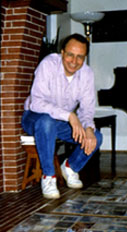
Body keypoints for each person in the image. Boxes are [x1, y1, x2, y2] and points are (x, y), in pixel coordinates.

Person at [22, 33, 103, 199]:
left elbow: (87, 110)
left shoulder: (87, 74)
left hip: (60, 122)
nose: (74, 61)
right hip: (34, 118)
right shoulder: (48, 64)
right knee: (47, 122)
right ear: (62, 53)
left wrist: (88, 128)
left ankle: (70, 167)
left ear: (85, 57)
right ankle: (49, 176)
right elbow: (37, 103)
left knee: (96, 137)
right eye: (70, 55)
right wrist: (70, 116)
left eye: (80, 57)